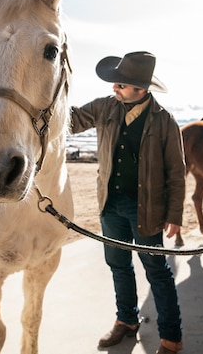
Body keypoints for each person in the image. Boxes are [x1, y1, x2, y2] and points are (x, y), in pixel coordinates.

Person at [70, 51, 185, 354]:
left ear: (141, 90)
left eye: (120, 85)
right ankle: (126, 322)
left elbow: (176, 172)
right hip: (110, 205)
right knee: (118, 266)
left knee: (157, 271)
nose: (114, 88)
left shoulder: (165, 122)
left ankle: (171, 338)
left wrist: (174, 214)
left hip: (146, 210)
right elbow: (68, 121)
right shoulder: (103, 107)